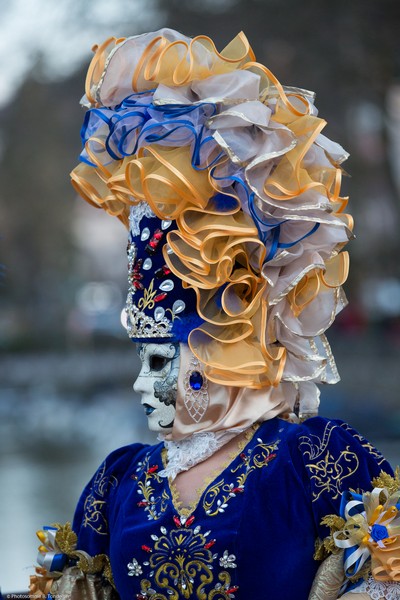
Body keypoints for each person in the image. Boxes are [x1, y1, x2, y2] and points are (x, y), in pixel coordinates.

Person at [30, 29, 400, 600]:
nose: (138, 382)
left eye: (158, 359)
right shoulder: (117, 483)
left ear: (218, 351)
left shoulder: (315, 461)